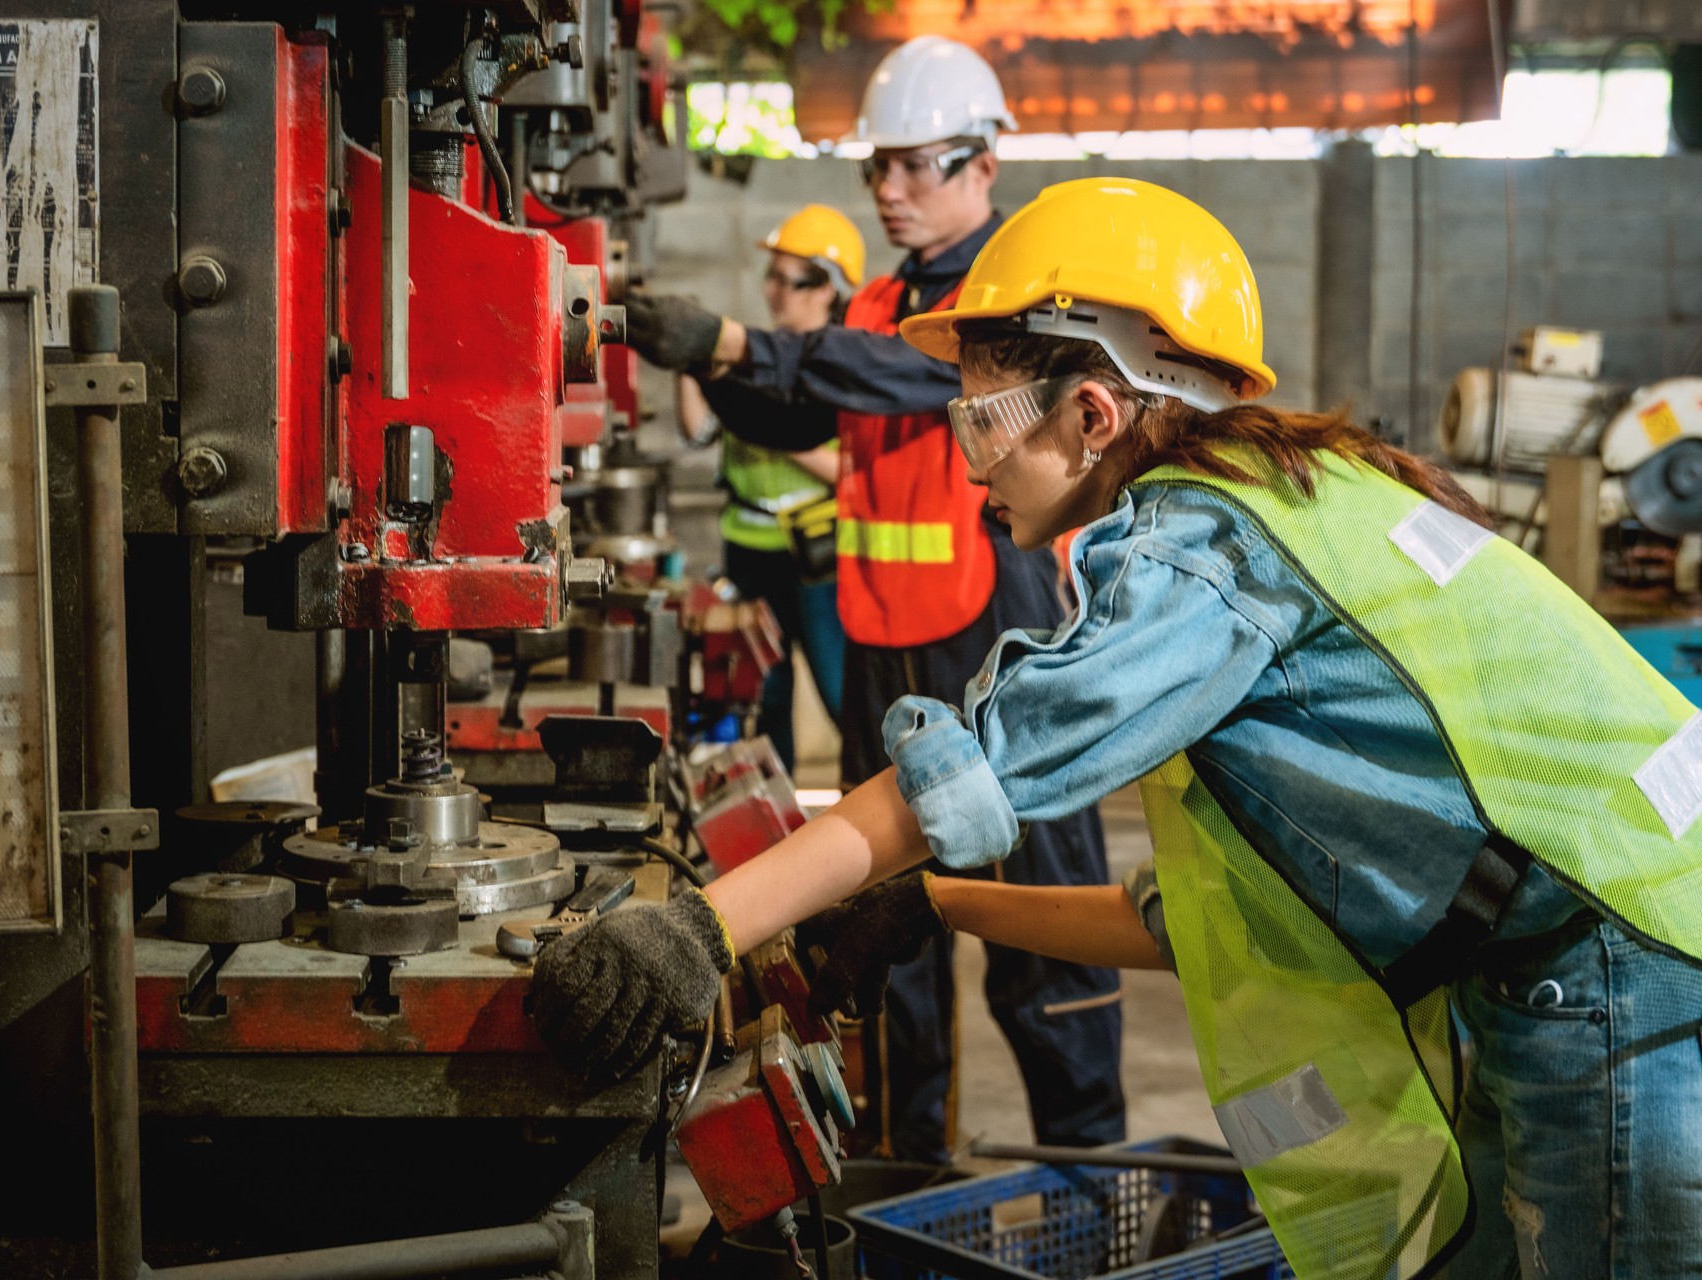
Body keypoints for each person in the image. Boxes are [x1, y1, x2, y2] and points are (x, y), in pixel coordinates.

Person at [534, 178, 1702, 1278]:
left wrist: (695, 934)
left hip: (1615, 963)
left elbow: (976, 766)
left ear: (1092, 412)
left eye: (981, 424)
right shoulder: (1274, 497)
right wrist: (936, 904)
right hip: (1593, 942)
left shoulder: (1200, 551)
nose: (972, 463)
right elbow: (1194, 920)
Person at [618, 36, 1125, 1161]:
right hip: (887, 641)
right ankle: (902, 1172)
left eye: (914, 165)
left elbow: (905, 373)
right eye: (876, 169)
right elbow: (808, 409)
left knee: (1045, 935)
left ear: (983, 162)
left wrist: (747, 339)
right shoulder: (891, 288)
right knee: (886, 930)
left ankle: (1094, 1172)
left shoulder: (1018, 291)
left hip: (1002, 632)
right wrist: (705, 359)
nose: (888, 189)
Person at [677, 205, 857, 773]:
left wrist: (773, 431)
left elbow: (853, 470)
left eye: (790, 280)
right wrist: (691, 360)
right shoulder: (755, 357)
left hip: (820, 556)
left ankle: (874, 819)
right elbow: (701, 430)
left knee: (839, 688)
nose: (775, 291)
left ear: (828, 288)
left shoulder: (854, 366)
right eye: (771, 278)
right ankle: (781, 838)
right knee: (764, 694)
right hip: (750, 555)